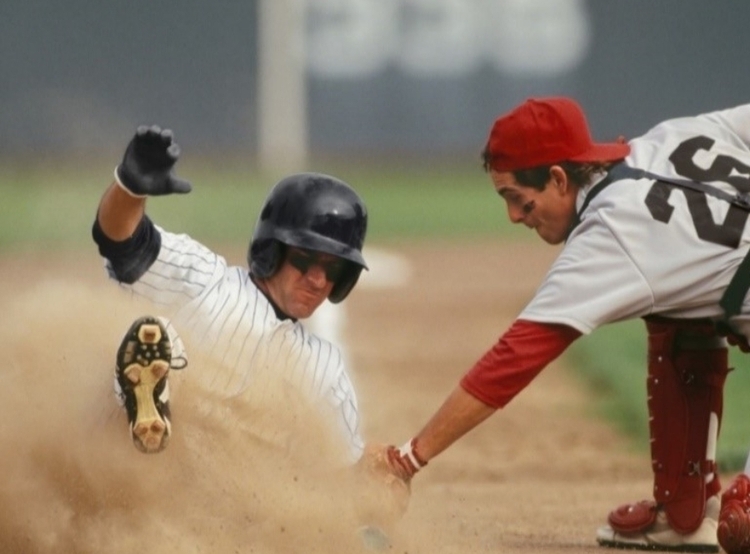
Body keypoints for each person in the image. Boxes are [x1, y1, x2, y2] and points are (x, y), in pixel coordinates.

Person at [366, 97, 750, 553]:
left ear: (557, 178)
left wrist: (406, 461)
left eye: (517, 198)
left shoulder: (610, 233)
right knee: (677, 316)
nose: (513, 216)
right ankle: (683, 515)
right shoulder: (680, 134)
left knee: (742, 526)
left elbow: (514, 358)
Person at [92, 125, 369, 463]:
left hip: (219, 500)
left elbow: (344, 475)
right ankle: (147, 409)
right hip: (131, 463)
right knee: (153, 336)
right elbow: (121, 242)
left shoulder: (326, 369)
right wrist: (130, 189)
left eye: (334, 270)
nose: (317, 279)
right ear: (273, 249)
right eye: (305, 259)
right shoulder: (205, 279)